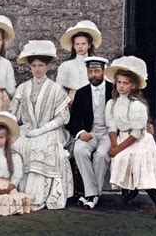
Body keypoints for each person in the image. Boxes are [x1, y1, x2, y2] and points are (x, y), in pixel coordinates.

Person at [11, 40, 73, 210]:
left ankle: (38, 196)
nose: (37, 69)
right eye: (34, 66)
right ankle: (18, 193)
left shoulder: (56, 88)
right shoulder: (22, 88)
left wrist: (42, 129)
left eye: (41, 65)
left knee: (41, 147)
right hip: (28, 128)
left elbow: (62, 117)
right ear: (30, 67)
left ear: (47, 67)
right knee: (17, 145)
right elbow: (14, 114)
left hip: (51, 129)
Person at [105, 56, 156, 219]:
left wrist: (118, 148)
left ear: (132, 86)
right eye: (119, 82)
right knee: (120, 159)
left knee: (140, 168)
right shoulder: (111, 103)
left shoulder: (137, 105)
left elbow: (137, 133)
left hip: (139, 140)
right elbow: (111, 127)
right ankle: (129, 192)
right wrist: (113, 145)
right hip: (122, 137)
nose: (122, 86)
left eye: (126, 83)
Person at [66, 56, 112, 209]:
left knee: (101, 155)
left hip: (108, 133)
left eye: (97, 71)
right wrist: (80, 132)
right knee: (79, 149)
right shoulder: (81, 92)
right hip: (90, 132)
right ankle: (93, 194)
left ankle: (90, 194)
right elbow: (72, 120)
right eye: (90, 71)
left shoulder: (114, 90)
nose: (93, 74)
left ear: (103, 71)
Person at [56, 20, 102, 103]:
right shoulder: (65, 66)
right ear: (73, 46)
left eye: (83, 44)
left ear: (89, 45)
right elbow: (59, 89)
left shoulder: (98, 65)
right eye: (77, 44)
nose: (80, 47)